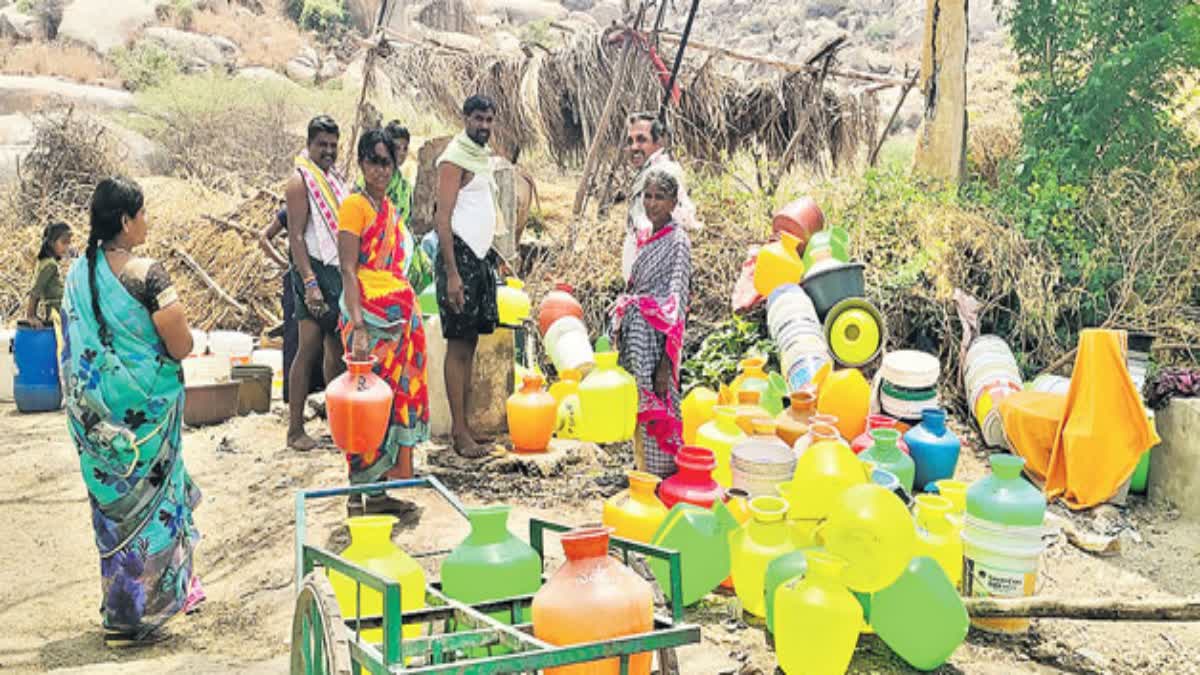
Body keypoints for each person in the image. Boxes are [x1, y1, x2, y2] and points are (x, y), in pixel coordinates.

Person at [60, 177, 203, 646]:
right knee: (156, 510)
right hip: (148, 419)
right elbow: (179, 344)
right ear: (125, 221)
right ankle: (148, 610)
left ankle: (120, 614)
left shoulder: (77, 275)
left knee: (115, 515)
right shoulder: (148, 274)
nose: (147, 221)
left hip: (99, 424)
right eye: (141, 213)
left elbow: (77, 356)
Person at [337, 129, 430, 514]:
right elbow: (347, 267)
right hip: (368, 320)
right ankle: (358, 490)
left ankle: (378, 492)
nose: (380, 170)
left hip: (399, 322)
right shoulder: (354, 207)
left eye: (387, 163)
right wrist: (358, 325)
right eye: (374, 161)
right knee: (365, 406)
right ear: (361, 162)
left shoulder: (391, 210)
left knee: (391, 402)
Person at [611, 169, 693, 478]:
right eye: (648, 196)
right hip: (637, 340)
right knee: (637, 408)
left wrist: (664, 364)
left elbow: (677, 301)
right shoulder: (647, 238)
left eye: (660, 197)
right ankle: (641, 472)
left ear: (673, 203)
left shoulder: (678, 243)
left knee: (659, 407)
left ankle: (660, 479)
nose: (652, 203)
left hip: (658, 344)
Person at [434, 95, 503, 458]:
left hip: (478, 261)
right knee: (458, 346)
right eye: (478, 119)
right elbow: (442, 219)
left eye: (489, 119)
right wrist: (451, 274)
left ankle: (467, 427)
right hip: (458, 258)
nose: (484, 126)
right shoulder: (453, 158)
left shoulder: (479, 158)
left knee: (471, 346)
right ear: (465, 118)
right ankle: (459, 434)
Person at [286, 115, 348, 451]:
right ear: (309, 144)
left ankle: (337, 421)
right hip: (313, 272)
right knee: (308, 348)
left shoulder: (331, 178)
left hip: (334, 270)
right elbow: (295, 236)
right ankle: (295, 430)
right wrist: (309, 282)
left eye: (333, 146)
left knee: (335, 349)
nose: (328, 151)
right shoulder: (300, 181)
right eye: (322, 145)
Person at [621, 113, 700, 283]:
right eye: (630, 141)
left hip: (655, 277)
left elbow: (675, 220)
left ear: (659, 142)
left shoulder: (663, 173)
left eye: (641, 139)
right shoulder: (647, 173)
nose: (634, 147)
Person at [259, 207, 323, 404]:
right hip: (297, 281)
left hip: (324, 280)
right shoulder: (291, 210)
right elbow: (264, 237)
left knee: (322, 338)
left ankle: (318, 393)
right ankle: (295, 398)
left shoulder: (326, 209)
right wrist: (284, 263)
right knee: (296, 339)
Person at [26, 222, 72, 328]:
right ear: (51, 242)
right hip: (58, 313)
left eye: (69, 243)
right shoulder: (50, 265)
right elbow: (35, 291)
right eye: (64, 242)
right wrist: (31, 315)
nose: (67, 247)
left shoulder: (45, 262)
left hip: (58, 311)